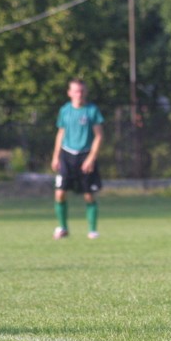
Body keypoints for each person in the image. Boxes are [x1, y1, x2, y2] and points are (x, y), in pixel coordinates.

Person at [51, 78, 105, 240]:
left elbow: (99, 136)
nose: (79, 94)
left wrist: (91, 158)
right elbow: (60, 133)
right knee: (59, 194)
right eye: (75, 91)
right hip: (67, 155)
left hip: (85, 155)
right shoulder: (65, 110)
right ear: (69, 93)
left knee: (88, 195)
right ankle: (63, 228)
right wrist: (55, 156)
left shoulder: (92, 111)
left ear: (85, 92)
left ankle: (93, 230)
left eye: (81, 91)